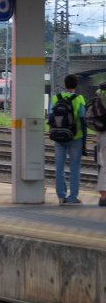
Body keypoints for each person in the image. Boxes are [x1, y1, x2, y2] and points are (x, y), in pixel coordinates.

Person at [51, 74, 87, 205]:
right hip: (75, 137)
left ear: (65, 85)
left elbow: (51, 118)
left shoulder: (56, 98)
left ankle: (61, 196)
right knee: (74, 168)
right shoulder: (79, 99)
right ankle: (72, 197)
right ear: (76, 85)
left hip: (58, 137)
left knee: (59, 167)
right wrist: (84, 141)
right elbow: (83, 121)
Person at [95, 82, 106, 207]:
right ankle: (103, 196)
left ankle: (103, 195)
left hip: (101, 134)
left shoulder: (99, 95)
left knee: (104, 165)